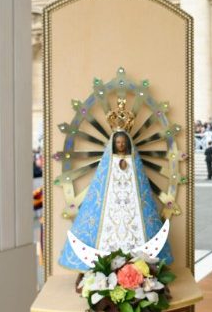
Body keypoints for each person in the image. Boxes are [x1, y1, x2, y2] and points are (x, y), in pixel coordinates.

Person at [58, 103, 172, 271]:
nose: (120, 145)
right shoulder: (108, 162)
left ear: (127, 143)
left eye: (122, 142)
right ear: (113, 144)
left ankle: (138, 265)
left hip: (132, 207)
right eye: (117, 142)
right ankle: (105, 266)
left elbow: (140, 187)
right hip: (110, 206)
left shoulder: (134, 162)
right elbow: (101, 186)